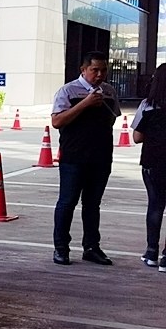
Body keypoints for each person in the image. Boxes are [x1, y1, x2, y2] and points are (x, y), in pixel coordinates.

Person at [50, 51, 121, 265]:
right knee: (67, 203)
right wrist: (85, 103)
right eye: (94, 70)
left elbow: (112, 118)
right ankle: (61, 248)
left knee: (92, 205)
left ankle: (91, 247)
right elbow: (57, 121)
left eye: (103, 70)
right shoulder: (68, 91)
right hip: (74, 158)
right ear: (83, 69)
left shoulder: (109, 92)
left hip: (100, 158)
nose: (99, 75)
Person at [131, 62, 166, 271]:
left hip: (153, 162)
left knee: (155, 205)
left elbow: (137, 137)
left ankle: (152, 252)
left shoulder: (148, 105)